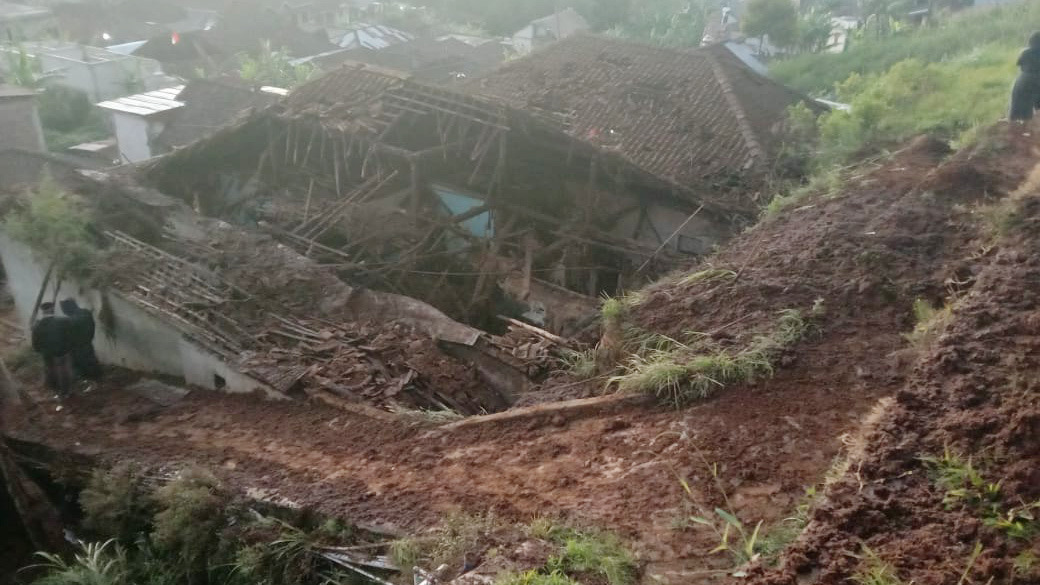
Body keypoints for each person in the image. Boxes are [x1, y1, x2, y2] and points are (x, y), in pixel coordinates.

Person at [30, 302, 74, 399]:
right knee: (64, 371)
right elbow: (70, 337)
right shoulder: (63, 321)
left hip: (47, 354)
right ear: (52, 309)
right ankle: (66, 392)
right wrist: (69, 347)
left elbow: (35, 344)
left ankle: (56, 391)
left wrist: (41, 351)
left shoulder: (37, 326)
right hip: (62, 352)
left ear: (43, 312)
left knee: (51, 371)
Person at [60, 298, 102, 383]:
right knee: (91, 360)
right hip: (87, 342)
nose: (64, 312)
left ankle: (89, 380)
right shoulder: (85, 312)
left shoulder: (72, 319)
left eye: (64, 309)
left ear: (68, 308)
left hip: (78, 345)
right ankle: (97, 378)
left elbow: (71, 330)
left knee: (82, 364)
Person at [1009, 32, 1040, 121]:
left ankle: (1018, 126)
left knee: (1018, 114)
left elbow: (1019, 65)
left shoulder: (1025, 53)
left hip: (1024, 80)